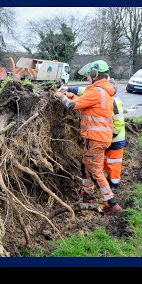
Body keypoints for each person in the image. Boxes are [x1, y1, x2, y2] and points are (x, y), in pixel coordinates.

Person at [55, 60, 122, 216]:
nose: (87, 78)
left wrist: (60, 96)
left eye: (88, 76)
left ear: (94, 75)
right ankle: (87, 195)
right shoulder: (102, 91)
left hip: (96, 138)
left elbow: (72, 106)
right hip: (95, 138)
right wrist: (70, 93)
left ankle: (111, 204)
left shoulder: (97, 91)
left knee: (95, 171)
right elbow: (84, 100)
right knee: (85, 166)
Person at [61, 75, 126, 190]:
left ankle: (112, 190)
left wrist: (110, 136)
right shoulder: (101, 92)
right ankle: (91, 192)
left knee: (111, 165)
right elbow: (85, 91)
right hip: (103, 137)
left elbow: (118, 123)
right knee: (91, 165)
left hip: (114, 139)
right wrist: (67, 89)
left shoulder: (111, 100)